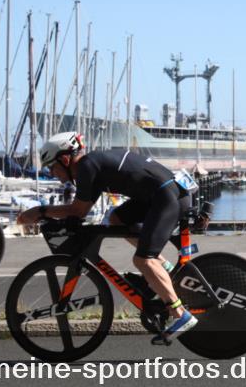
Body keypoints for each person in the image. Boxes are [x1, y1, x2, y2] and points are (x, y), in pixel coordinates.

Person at [16, 132, 197, 342]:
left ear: (65, 160)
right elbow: (81, 210)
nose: (52, 172)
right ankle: (163, 267)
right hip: (162, 194)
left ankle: (180, 314)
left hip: (167, 197)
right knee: (116, 218)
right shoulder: (91, 165)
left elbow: (78, 210)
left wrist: (40, 211)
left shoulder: (86, 167)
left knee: (142, 260)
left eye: (51, 167)